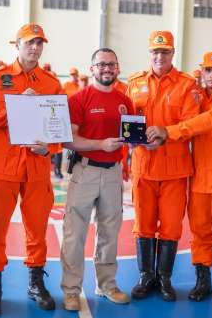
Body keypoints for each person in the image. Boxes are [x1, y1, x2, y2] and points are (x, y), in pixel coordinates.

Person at [147, 51, 212, 308]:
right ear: (202, 72)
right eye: (208, 70)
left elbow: (207, 121)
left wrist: (167, 132)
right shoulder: (197, 99)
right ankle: (202, 280)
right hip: (200, 179)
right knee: (199, 233)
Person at [0, 23, 62, 316]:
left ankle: (36, 283)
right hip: (2, 169)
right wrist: (11, 110)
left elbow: (59, 129)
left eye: (39, 43)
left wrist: (49, 148)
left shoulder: (51, 82)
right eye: (29, 43)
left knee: (37, 231)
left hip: (36, 168)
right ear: (18, 45)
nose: (34, 48)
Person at [126, 31, 199, 302]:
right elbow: (126, 119)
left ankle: (165, 278)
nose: (159, 56)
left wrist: (165, 133)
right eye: (155, 52)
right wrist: (134, 140)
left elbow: (191, 124)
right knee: (143, 225)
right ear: (150, 53)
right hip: (143, 166)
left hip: (174, 170)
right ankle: (146, 276)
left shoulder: (187, 85)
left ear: (172, 54)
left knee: (170, 226)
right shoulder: (133, 84)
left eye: (165, 52)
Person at [60, 47, 132, 311]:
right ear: (92, 69)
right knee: (74, 234)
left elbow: (130, 137)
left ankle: (107, 285)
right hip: (86, 171)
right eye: (101, 64)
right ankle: (71, 290)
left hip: (113, 173)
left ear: (117, 68)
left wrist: (144, 140)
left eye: (111, 64)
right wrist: (101, 144)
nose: (106, 69)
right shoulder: (79, 99)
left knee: (110, 233)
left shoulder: (125, 101)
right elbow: (68, 139)